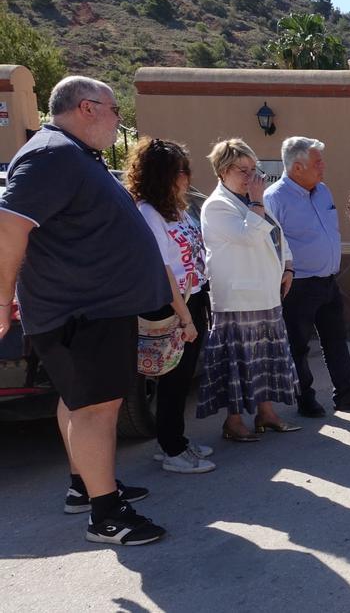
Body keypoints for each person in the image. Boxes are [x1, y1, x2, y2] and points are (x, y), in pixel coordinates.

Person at [0, 76, 172, 545]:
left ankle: (86, 486)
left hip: (90, 310)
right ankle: (106, 515)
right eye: (116, 112)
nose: (120, 123)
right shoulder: (51, 153)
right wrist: (2, 299)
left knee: (78, 403)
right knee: (97, 410)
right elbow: (10, 226)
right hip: (81, 312)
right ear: (89, 107)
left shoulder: (71, 155)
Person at [195, 139, 301, 442]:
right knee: (238, 361)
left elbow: (276, 234)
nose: (253, 177)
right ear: (224, 171)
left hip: (265, 294)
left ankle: (266, 415)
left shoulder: (251, 200)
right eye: (245, 170)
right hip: (238, 299)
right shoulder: (217, 205)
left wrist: (289, 265)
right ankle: (234, 420)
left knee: (265, 357)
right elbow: (248, 237)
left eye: (255, 170)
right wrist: (256, 201)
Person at [265, 136, 350, 416]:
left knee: (336, 340)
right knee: (299, 346)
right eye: (317, 163)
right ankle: (305, 398)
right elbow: (271, 245)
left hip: (328, 281)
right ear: (297, 167)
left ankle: (345, 394)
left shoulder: (323, 191)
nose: (323, 167)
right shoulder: (274, 198)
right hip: (297, 285)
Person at [126, 138, 214, 474]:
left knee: (181, 377)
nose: (187, 177)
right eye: (181, 170)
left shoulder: (175, 208)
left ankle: (173, 440)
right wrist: (185, 317)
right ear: (162, 174)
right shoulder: (148, 213)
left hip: (194, 297)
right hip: (173, 304)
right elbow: (163, 270)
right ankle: (173, 449)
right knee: (173, 378)